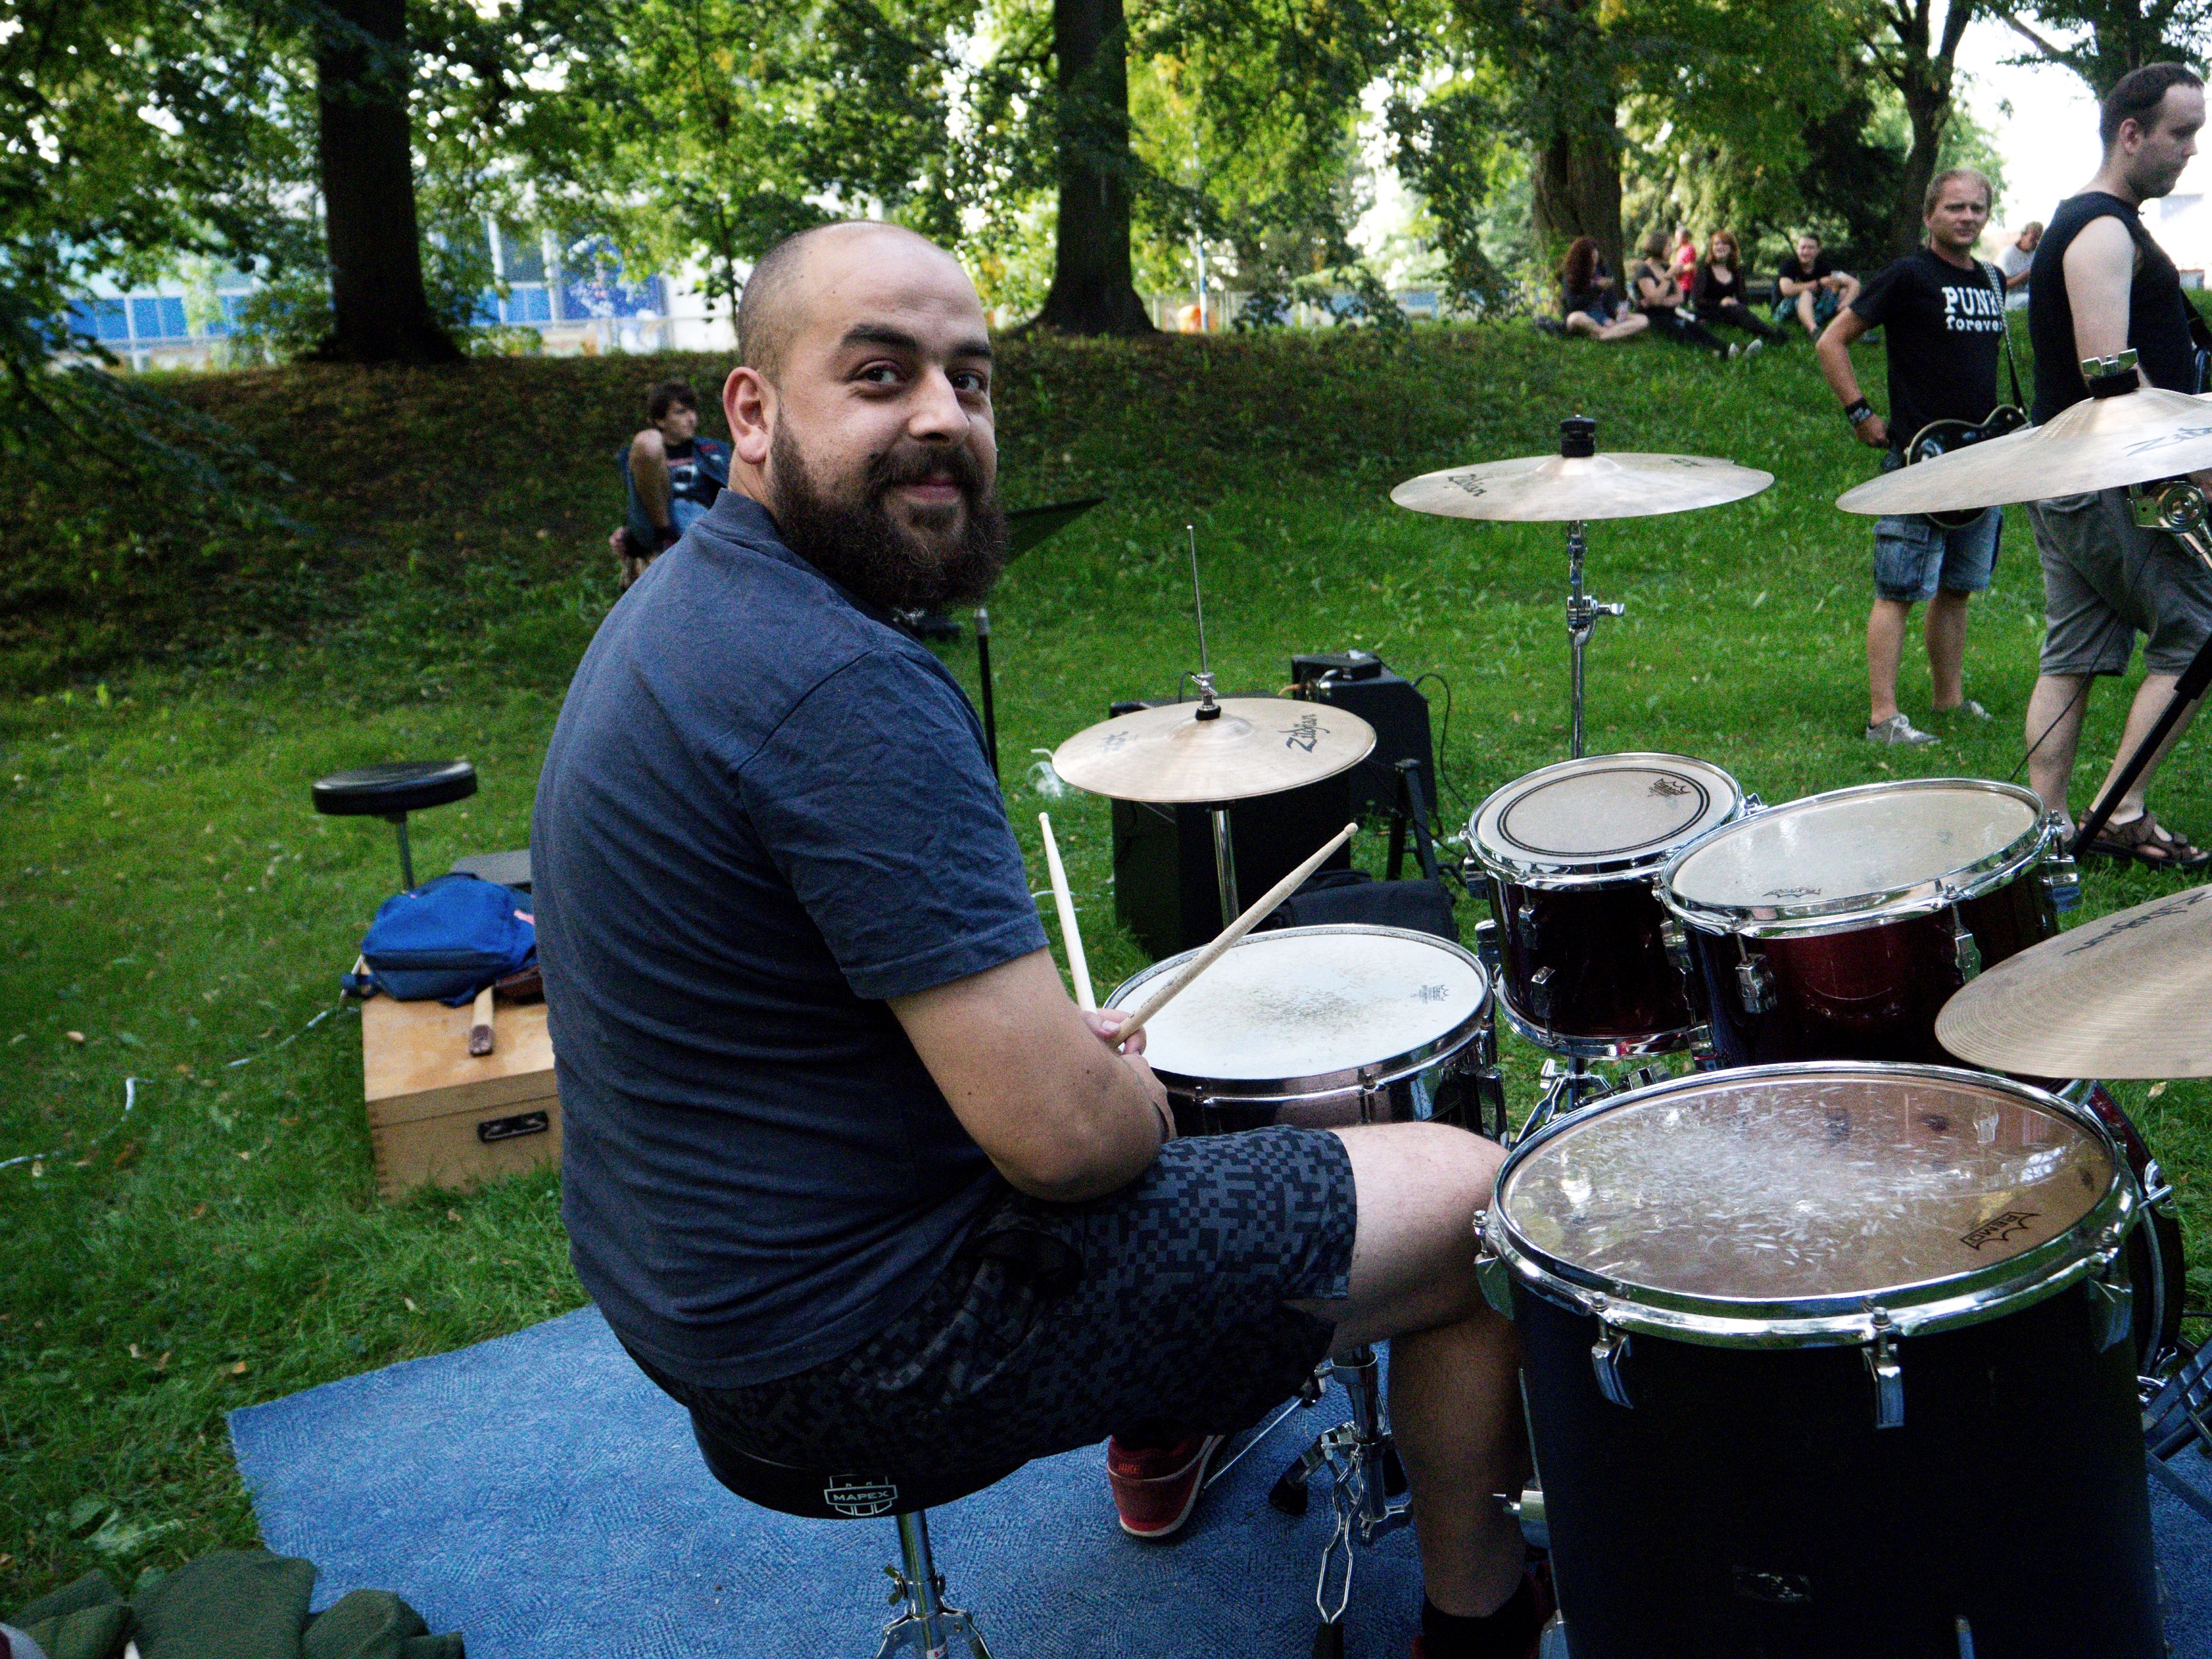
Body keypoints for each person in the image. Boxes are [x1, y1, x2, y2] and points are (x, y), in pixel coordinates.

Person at [531, 220, 1546, 1658]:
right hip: (856, 1340)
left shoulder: (687, 607)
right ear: (751, 413)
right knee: (1482, 1202)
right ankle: (1480, 1619)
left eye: (971, 378)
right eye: (879, 374)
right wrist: (1113, 1094)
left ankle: (1195, 1391)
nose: (943, 415)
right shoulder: (838, 684)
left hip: (687, 1288)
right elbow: (1071, 1148)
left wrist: (1055, 1064)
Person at [2022, 61, 2212, 868]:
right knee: (2199, 630)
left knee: (2072, 654)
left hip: (2075, 477)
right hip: (2113, 477)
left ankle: (2048, 830)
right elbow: (2108, 378)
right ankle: (2120, 812)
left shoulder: (2102, 221)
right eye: (2181, 133)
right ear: (2131, 134)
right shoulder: (2102, 228)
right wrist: (2191, 471)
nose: (2192, 151)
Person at [1815, 168, 2012, 746]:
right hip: (1918, 460)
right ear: (1929, 215)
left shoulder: (1994, 280)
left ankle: (1948, 699)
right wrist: (1860, 413)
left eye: (1977, 208)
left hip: (1981, 461)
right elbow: (1831, 341)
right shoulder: (1907, 276)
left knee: (1958, 588)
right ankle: (1883, 718)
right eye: (1955, 207)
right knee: (1898, 589)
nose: (1967, 217)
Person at [607, 379, 732, 588]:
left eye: (692, 411)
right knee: (647, 442)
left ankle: (673, 542)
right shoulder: (636, 454)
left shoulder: (713, 450)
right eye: (681, 412)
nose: (691, 419)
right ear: (659, 420)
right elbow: (636, 503)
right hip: (654, 527)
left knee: (692, 512)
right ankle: (667, 538)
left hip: (701, 520)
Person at [1630, 230, 1738, 355]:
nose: (1672, 249)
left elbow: (1680, 297)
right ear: (1659, 247)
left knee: (1694, 327)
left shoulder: (1666, 267)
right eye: (1669, 246)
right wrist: (1668, 277)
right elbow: (1654, 299)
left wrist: (1661, 301)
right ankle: (1713, 353)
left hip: (1670, 312)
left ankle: (1727, 349)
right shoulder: (1644, 269)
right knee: (1680, 332)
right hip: (1652, 317)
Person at [1692, 230, 1788, 344]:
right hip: (1707, 312)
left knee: (1740, 310)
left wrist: (1735, 303)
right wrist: (1721, 302)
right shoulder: (1705, 270)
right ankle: (1772, 335)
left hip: (1729, 311)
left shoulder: (1736, 271)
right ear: (1712, 248)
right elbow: (1696, 301)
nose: (1720, 247)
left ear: (1731, 248)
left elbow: (1744, 300)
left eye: (1724, 243)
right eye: (1716, 244)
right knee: (1737, 311)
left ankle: (1769, 334)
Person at [1557, 236, 1647, 342]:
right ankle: (1614, 333)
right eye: (1591, 259)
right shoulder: (1572, 275)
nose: (1594, 262)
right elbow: (1574, 305)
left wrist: (1618, 310)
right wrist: (1597, 289)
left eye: (1596, 258)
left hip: (1604, 316)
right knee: (1575, 318)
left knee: (1643, 320)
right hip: (1584, 316)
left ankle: (1604, 335)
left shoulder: (1603, 270)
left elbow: (1611, 301)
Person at [1774, 231, 1861, 338]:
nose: (1805, 252)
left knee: (1843, 290)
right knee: (1806, 294)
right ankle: (1814, 331)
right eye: (1802, 247)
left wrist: (1845, 303)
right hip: (1785, 312)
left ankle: (1847, 326)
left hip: (1814, 310)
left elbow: (1854, 283)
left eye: (1810, 248)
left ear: (1818, 250)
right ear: (1797, 249)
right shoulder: (1789, 265)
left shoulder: (1824, 267)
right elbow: (1787, 290)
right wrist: (1819, 283)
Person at [2000, 220, 2042, 310]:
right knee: (2035, 299)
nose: (2036, 242)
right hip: (2011, 297)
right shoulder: (2008, 254)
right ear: (2023, 236)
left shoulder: (2036, 253)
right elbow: (2003, 286)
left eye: (2038, 239)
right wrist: (2025, 275)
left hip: (2030, 292)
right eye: (2033, 238)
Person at [1669, 225, 1699, 299]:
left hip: (1687, 285)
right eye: (1675, 237)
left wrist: (1677, 270)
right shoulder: (1679, 250)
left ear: (1685, 237)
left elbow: (1692, 266)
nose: (1676, 239)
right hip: (1679, 285)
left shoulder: (1690, 249)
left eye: (1678, 237)